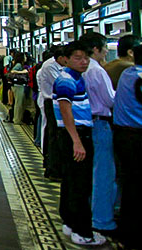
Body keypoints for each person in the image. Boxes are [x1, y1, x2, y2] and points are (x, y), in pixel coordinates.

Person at [52, 41, 105, 246]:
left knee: (71, 181)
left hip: (73, 134)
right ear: (66, 59)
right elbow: (66, 110)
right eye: (78, 58)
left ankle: (69, 221)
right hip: (75, 135)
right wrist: (76, 141)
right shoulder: (66, 80)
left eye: (86, 58)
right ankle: (82, 231)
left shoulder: (75, 77)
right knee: (80, 184)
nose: (84, 62)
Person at [78, 32, 117, 234]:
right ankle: (102, 219)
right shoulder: (97, 71)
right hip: (99, 124)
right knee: (103, 174)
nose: (107, 51)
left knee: (90, 173)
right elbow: (110, 100)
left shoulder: (82, 69)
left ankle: (90, 213)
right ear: (96, 49)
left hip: (85, 124)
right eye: (105, 46)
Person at [112, 43, 142, 249]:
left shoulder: (127, 74)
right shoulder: (139, 78)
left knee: (129, 183)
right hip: (136, 137)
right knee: (136, 186)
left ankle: (125, 230)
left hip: (122, 134)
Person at [38, 45, 66, 179]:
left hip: (56, 101)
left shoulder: (55, 65)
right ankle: (51, 166)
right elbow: (61, 84)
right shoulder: (50, 66)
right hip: (51, 101)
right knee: (53, 134)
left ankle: (52, 163)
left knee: (53, 133)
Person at [8, 53, 30, 124]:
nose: (25, 58)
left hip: (16, 86)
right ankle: (17, 119)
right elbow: (12, 71)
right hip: (18, 86)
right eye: (24, 56)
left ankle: (18, 119)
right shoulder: (19, 65)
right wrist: (23, 72)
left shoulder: (18, 64)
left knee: (19, 103)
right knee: (18, 103)